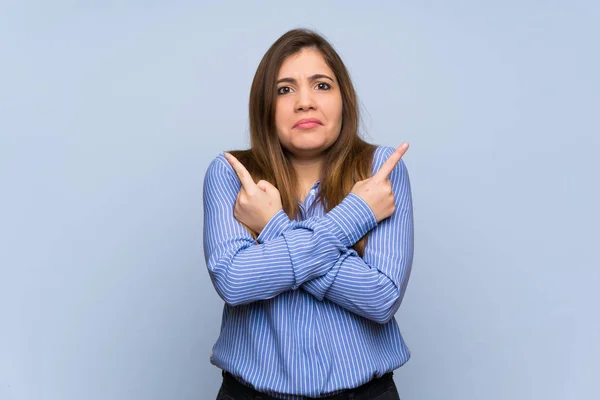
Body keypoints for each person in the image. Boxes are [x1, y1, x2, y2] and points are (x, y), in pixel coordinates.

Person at [202, 28, 414, 400]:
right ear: (264, 106)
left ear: (343, 98)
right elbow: (235, 282)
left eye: (321, 85)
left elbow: (381, 298)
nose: (305, 102)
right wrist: (356, 215)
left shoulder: (380, 171)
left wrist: (272, 228)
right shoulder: (233, 175)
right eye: (285, 89)